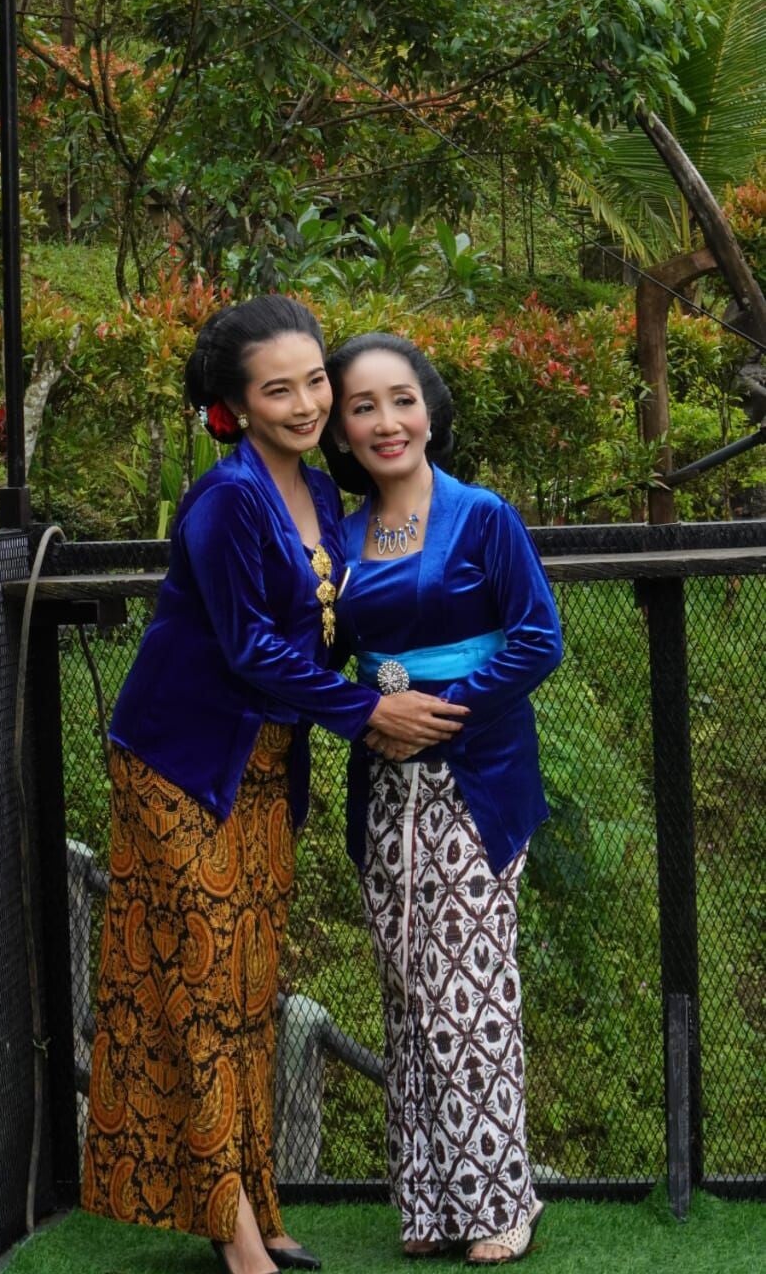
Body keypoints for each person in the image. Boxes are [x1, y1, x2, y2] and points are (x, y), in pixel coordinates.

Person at [81, 298, 468, 1274]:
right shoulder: (225, 501)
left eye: (315, 382)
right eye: (278, 389)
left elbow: (335, 619)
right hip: (180, 765)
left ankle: (259, 1201)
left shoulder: (321, 496)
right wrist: (367, 712)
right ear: (237, 405)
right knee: (202, 991)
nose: (305, 404)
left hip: (262, 772)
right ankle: (237, 1235)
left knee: (250, 991)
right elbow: (252, 648)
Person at [322, 333, 562, 1267]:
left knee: (468, 989)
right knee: (404, 987)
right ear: (341, 430)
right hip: (383, 779)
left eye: (402, 399)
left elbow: (537, 639)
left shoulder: (482, 516)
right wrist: (366, 716)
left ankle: (501, 1200)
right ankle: (425, 1201)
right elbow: (319, 660)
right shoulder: (336, 537)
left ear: (428, 409)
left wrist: (439, 712)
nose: (386, 421)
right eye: (362, 407)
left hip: (477, 775)